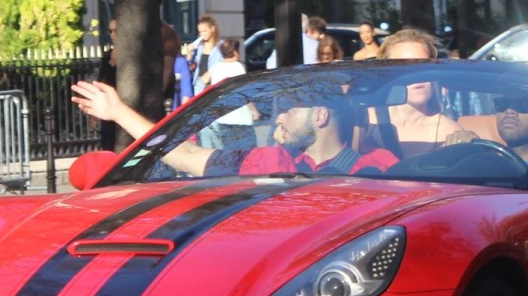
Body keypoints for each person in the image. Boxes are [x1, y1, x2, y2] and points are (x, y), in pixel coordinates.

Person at [70, 79, 395, 177]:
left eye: (289, 110)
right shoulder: (268, 161)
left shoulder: (380, 168)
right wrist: (119, 112)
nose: (278, 118)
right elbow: (187, 154)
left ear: (320, 116)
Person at [372, 28, 463, 156]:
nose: (416, 75)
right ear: (388, 73)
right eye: (405, 66)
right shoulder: (364, 122)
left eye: (423, 65)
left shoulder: (449, 132)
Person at [92, 19, 119, 151]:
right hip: (108, 104)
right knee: (107, 142)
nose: (113, 34)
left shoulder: (130, 57)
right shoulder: (107, 56)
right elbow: (100, 81)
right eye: (110, 31)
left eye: (116, 30)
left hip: (122, 103)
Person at [189, 15, 222, 89]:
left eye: (205, 31)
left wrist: (210, 73)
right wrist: (189, 53)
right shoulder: (199, 48)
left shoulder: (220, 47)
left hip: (214, 84)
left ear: (212, 29)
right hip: (199, 84)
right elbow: (191, 66)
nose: (202, 34)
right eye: (200, 32)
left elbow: (223, 65)